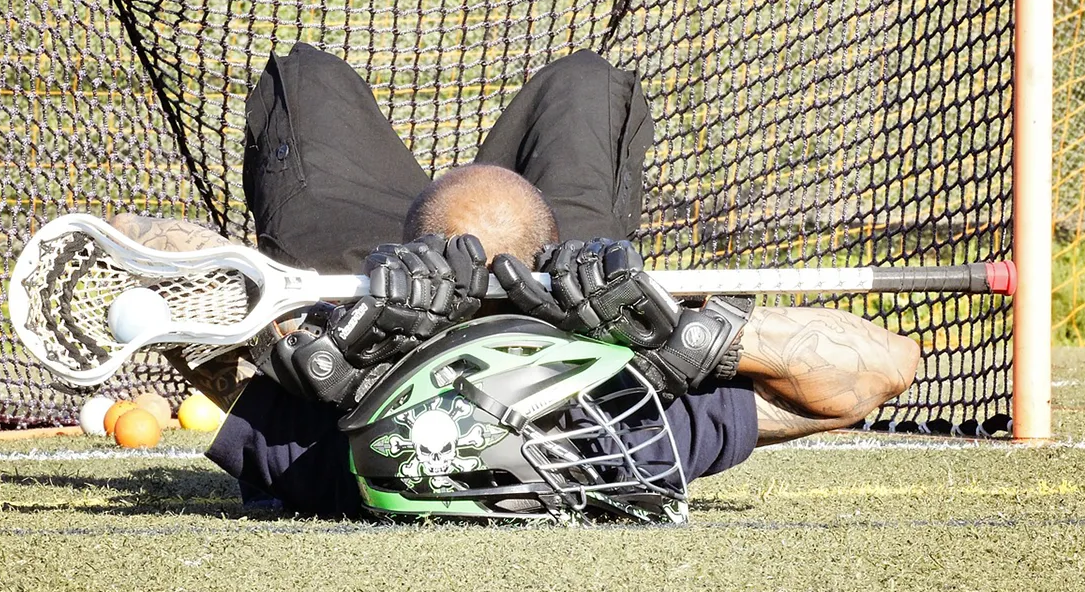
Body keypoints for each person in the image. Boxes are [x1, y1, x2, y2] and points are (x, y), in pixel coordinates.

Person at [111, 44, 919, 518]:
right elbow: (883, 369)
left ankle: (459, 248)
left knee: (309, 77)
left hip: (372, 269)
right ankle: (530, 241)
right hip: (554, 277)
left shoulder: (332, 444)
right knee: (584, 84)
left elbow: (130, 256)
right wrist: (681, 336)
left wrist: (297, 335)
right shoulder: (618, 434)